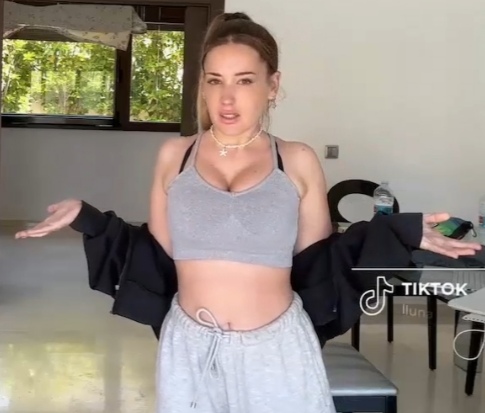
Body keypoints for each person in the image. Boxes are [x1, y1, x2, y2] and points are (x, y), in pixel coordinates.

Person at [15, 12, 482, 413]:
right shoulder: (174, 156)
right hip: (189, 347)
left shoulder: (296, 160)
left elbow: (321, 263)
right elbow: (155, 256)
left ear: (272, 85)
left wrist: (399, 232)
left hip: (277, 348)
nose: (227, 98)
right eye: (214, 80)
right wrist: (88, 217)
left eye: (244, 81)